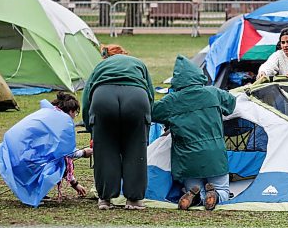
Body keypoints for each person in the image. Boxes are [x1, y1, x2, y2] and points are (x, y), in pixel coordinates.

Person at [152, 55, 236, 211]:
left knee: (194, 186)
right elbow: (231, 104)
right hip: (215, 156)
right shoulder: (213, 93)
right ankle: (215, 196)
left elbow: (152, 112)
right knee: (223, 190)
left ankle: (195, 196)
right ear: (198, 75)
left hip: (187, 159)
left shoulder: (171, 101)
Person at [82, 44, 154, 210]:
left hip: (103, 98)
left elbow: (86, 98)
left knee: (105, 149)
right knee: (136, 150)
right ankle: (134, 200)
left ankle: (105, 199)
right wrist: (147, 122)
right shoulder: (138, 63)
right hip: (137, 98)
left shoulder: (100, 66)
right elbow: (150, 94)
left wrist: (90, 125)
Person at [0, 92, 92, 207]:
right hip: (26, 161)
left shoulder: (47, 114)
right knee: (55, 163)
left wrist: (75, 183)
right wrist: (83, 153)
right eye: (75, 113)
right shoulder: (62, 123)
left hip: (14, 155)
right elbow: (64, 154)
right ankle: (36, 192)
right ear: (71, 111)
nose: (74, 116)